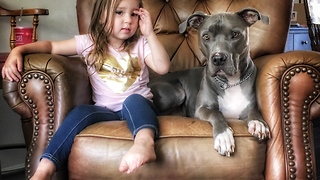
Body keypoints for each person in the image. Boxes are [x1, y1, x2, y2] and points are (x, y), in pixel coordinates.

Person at [1, 0, 170, 179]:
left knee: (133, 99)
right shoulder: (89, 42)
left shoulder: (141, 44)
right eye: (119, 12)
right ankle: (45, 168)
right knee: (81, 111)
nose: (128, 20)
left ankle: (144, 144)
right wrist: (17, 51)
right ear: (101, 15)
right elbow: (50, 46)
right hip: (106, 111)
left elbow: (163, 68)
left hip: (138, 108)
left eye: (134, 14)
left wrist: (150, 34)